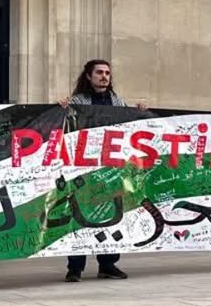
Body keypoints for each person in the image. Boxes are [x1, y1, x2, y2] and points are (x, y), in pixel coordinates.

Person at [58, 59, 148, 282]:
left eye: (107, 73)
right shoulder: (78, 102)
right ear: (88, 76)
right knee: (77, 216)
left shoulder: (117, 102)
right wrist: (59, 110)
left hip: (110, 169)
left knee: (112, 212)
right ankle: (75, 268)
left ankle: (107, 264)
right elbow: (65, 127)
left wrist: (139, 111)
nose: (104, 76)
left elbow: (131, 126)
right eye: (99, 72)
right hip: (83, 168)